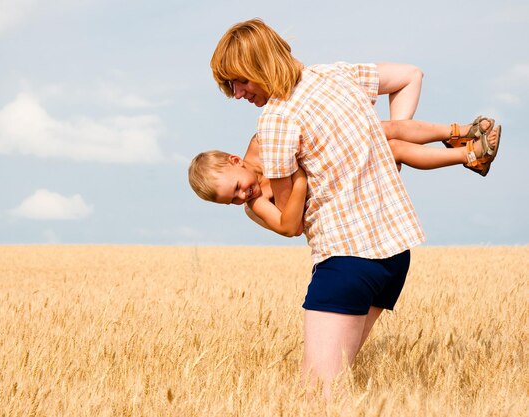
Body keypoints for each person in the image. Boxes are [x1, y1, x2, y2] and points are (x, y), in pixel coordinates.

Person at [208, 18, 500, 398]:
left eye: (239, 81)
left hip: (347, 258)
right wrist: (386, 148)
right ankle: (464, 148)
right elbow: (412, 74)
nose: (236, 94)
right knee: (337, 383)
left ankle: (463, 148)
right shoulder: (338, 75)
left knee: (318, 395)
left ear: (258, 63)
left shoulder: (276, 122)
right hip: (394, 254)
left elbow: (291, 222)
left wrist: (297, 180)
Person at [188, 117, 501, 237]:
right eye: (233, 201)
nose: (243, 196)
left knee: (385, 130)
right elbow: (291, 228)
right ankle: (470, 156)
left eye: (238, 189)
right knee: (393, 150)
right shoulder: (256, 205)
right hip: (336, 196)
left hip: (331, 162)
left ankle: (460, 133)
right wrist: (299, 182)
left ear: (236, 160)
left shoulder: (263, 142)